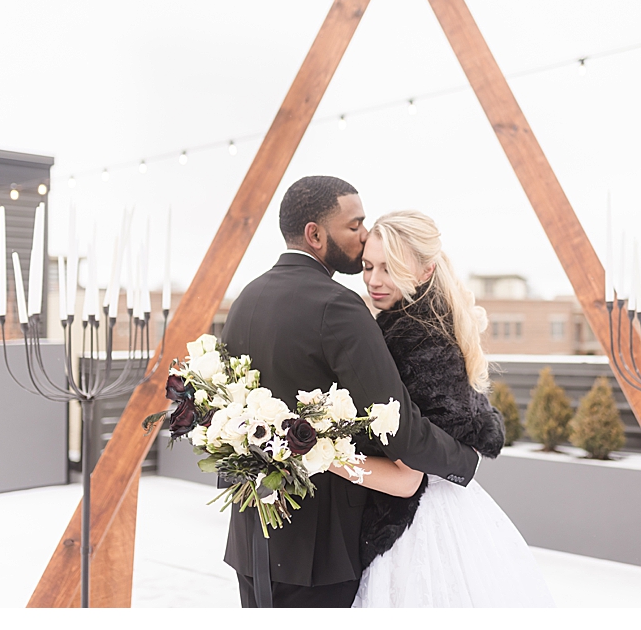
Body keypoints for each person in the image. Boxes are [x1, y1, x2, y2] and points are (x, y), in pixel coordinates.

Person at [219, 176, 480, 608]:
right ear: (315, 234)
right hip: (319, 553)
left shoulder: (247, 298)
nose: (363, 236)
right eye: (354, 225)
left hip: (252, 541)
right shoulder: (338, 306)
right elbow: (396, 427)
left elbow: (230, 415)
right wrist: (463, 459)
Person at [328, 210, 556, 608]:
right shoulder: (409, 325)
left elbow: (406, 478)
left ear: (425, 270)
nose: (374, 280)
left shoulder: (421, 341)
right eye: (368, 266)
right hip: (425, 509)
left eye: (390, 268)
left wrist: (321, 453)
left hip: (418, 523)